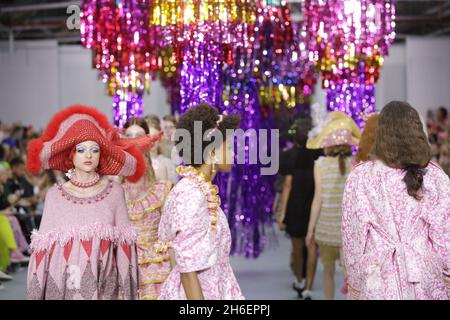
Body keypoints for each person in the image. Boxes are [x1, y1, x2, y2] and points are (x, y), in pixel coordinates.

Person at [25, 105, 144, 300]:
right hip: (63, 290)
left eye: (94, 149)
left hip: (106, 290)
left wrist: (128, 294)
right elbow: (41, 253)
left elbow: (125, 250)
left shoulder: (114, 193)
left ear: (101, 154)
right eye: (81, 149)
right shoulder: (55, 196)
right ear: (71, 155)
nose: (88, 155)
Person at [342, 101, 450, 300]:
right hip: (425, 278)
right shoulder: (434, 176)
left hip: (378, 280)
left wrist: (355, 284)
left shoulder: (360, 177)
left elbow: (353, 237)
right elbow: (445, 235)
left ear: (381, 133)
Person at [157, 103, 244, 300]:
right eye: (228, 146)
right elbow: (188, 271)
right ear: (212, 152)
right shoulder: (191, 195)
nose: (233, 153)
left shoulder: (201, 190)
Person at [305, 111, 361, 300]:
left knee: (327, 272)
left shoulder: (320, 164)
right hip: (348, 229)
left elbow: (317, 199)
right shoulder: (356, 165)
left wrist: (310, 230)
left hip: (326, 228)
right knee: (350, 276)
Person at [122, 117, 172, 300]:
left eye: (139, 135)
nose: (134, 140)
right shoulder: (113, 189)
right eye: (129, 136)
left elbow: (170, 234)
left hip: (157, 267)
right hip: (124, 266)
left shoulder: (161, 188)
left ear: (149, 141)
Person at [278, 117, 323, 300]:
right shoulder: (319, 154)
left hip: (295, 204)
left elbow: (287, 185)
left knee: (297, 246)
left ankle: (299, 280)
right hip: (314, 203)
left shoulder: (288, 156)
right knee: (312, 245)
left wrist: (282, 212)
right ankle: (309, 288)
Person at [144, 115, 178, 184]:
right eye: (149, 137)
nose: (152, 141)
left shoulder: (167, 163)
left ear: (160, 138)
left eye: (155, 137)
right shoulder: (137, 163)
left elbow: (173, 188)